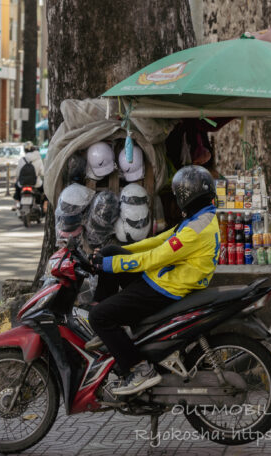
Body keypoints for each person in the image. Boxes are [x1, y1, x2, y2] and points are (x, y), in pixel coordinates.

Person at [87, 164, 220, 397]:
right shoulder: (202, 217)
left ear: (186, 198)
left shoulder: (194, 231)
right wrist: (116, 252)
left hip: (166, 289)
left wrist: (111, 265)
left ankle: (141, 370)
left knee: (98, 317)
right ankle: (110, 331)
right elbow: (159, 241)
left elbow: (156, 257)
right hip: (165, 279)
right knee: (110, 253)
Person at [13, 142, 46, 209]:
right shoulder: (38, 159)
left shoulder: (22, 160)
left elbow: (17, 173)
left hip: (22, 184)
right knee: (45, 191)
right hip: (36, 184)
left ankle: (17, 203)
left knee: (17, 187)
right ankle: (45, 206)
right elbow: (42, 173)